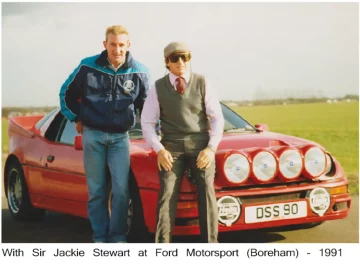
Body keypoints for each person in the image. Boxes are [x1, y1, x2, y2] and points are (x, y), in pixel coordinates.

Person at [59, 25, 150, 243]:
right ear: (105, 45)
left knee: (120, 190)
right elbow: (66, 93)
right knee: (97, 191)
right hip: (93, 136)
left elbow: (146, 108)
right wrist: (76, 118)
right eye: (112, 44)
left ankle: (117, 237)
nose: (117, 49)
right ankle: (99, 238)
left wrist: (154, 134)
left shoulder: (140, 71)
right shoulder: (87, 66)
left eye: (121, 45)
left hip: (121, 139)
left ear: (128, 45)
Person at [141, 41, 224, 243]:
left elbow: (217, 118)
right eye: (174, 58)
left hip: (201, 145)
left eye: (184, 57)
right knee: (167, 193)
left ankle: (211, 247)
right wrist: (159, 149)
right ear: (166, 62)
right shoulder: (157, 87)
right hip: (171, 147)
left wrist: (211, 149)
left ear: (189, 59)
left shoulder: (203, 82)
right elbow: (147, 122)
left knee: (206, 188)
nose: (180, 62)